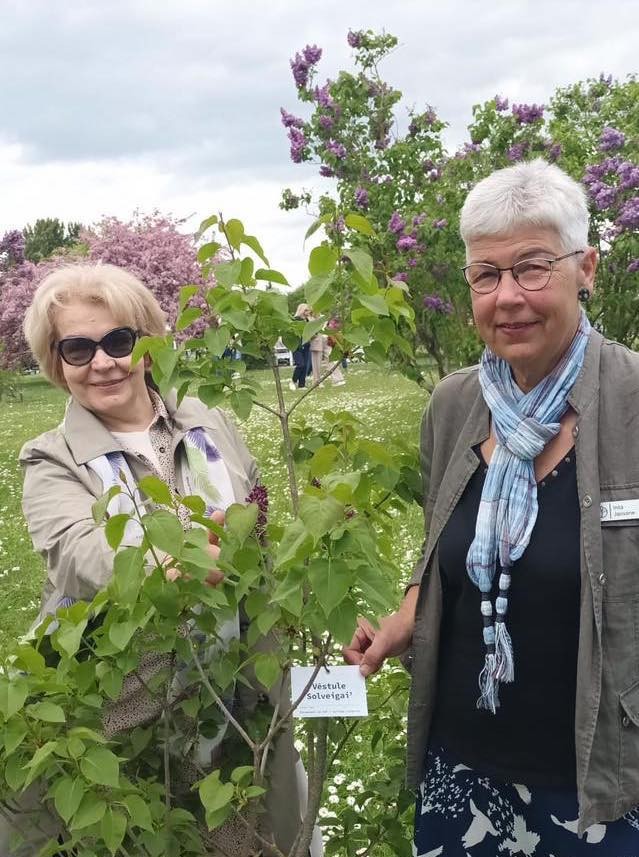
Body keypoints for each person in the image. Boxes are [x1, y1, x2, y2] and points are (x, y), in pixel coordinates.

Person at [344, 159, 639, 854]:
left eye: (533, 267)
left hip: (600, 778)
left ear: (586, 268)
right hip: (463, 769)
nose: (508, 296)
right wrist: (400, 622)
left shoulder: (630, 403)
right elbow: (443, 553)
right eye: (486, 274)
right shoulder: (454, 405)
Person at [7, 263, 317, 856]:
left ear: (146, 343)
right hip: (127, 709)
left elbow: (259, 522)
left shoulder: (210, 421)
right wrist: (174, 560)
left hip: (239, 692)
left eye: (118, 340)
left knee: (246, 827)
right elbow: (77, 553)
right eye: (78, 348)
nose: (103, 362)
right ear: (57, 361)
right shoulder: (51, 458)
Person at [289, 302, 312, 390]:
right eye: (305, 310)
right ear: (301, 310)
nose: (307, 312)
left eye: (308, 310)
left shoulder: (307, 321)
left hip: (306, 345)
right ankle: (293, 381)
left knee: (305, 365)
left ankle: (302, 384)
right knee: (300, 364)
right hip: (296, 345)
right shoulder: (295, 320)